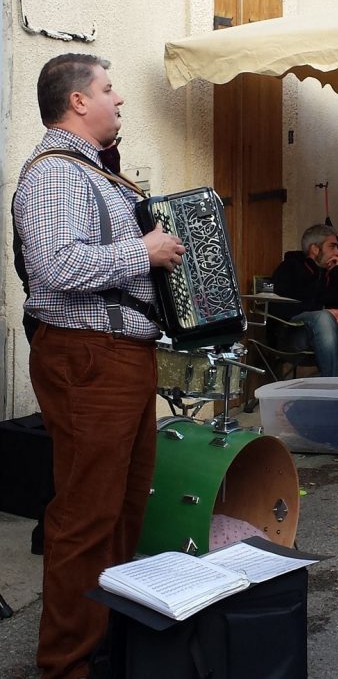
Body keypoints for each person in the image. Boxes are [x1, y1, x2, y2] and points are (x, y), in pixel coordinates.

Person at [13, 53, 185, 679]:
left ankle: (104, 641)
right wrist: (143, 251)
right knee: (86, 516)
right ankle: (65, 663)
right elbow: (55, 265)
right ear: (77, 102)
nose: (120, 100)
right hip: (89, 356)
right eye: (109, 89)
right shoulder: (56, 173)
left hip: (118, 356)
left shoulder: (99, 175)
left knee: (120, 509)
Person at [270, 223, 338, 377]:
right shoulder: (289, 267)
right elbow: (279, 306)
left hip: (330, 339)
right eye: (333, 246)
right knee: (324, 317)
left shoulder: (332, 273)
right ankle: (335, 385)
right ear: (315, 249)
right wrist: (321, 310)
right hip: (294, 337)